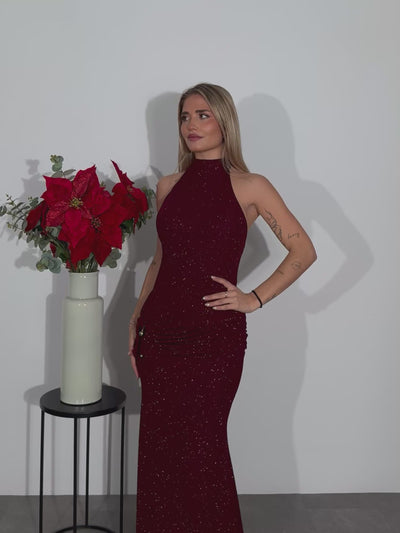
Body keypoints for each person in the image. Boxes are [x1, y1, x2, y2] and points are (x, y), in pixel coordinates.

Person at [128, 82, 317, 533]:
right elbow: (160, 260)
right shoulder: (168, 186)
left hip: (214, 339)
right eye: (184, 117)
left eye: (202, 115)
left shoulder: (251, 185)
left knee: (203, 450)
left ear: (224, 121)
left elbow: (303, 251)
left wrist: (254, 298)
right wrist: (135, 320)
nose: (191, 125)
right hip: (158, 334)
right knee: (160, 451)